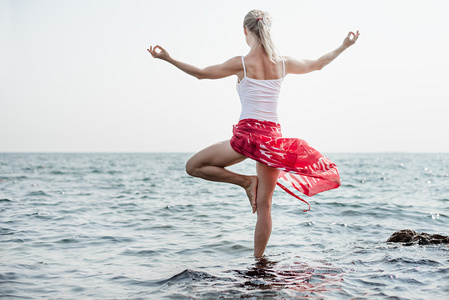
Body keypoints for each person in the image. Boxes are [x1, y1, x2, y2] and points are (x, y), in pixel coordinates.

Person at [148, 10, 359, 258]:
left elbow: (201, 73)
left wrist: (169, 59)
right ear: (268, 30)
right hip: (272, 141)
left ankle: (246, 181)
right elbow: (318, 64)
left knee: (193, 166)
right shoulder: (283, 63)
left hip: (246, 139)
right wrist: (344, 45)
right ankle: (259, 263)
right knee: (266, 206)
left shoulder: (242, 64)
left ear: (245, 31)